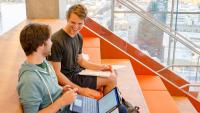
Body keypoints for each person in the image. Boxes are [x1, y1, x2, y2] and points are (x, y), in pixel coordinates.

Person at [47, 4, 117, 98]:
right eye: (73, 22)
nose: (76, 27)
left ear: (84, 22)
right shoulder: (56, 40)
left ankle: (104, 104)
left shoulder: (79, 37)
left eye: (80, 23)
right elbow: (57, 74)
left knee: (112, 72)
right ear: (67, 19)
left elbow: (81, 61)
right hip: (69, 78)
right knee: (111, 79)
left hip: (79, 72)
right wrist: (81, 90)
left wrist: (102, 67)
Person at [17, 23, 77, 113]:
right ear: (41, 45)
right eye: (49, 39)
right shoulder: (29, 80)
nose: (52, 42)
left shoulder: (44, 62)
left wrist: (61, 90)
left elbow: (48, 90)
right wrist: (62, 101)